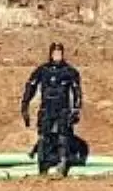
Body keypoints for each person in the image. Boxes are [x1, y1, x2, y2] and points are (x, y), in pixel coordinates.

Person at [20, 41, 83, 176]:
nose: (57, 55)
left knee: (63, 137)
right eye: (55, 53)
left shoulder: (69, 71)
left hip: (63, 109)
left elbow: (77, 91)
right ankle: (42, 167)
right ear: (50, 54)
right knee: (44, 138)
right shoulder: (43, 70)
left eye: (59, 53)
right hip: (46, 109)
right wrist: (25, 105)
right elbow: (30, 87)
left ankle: (62, 166)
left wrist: (76, 109)